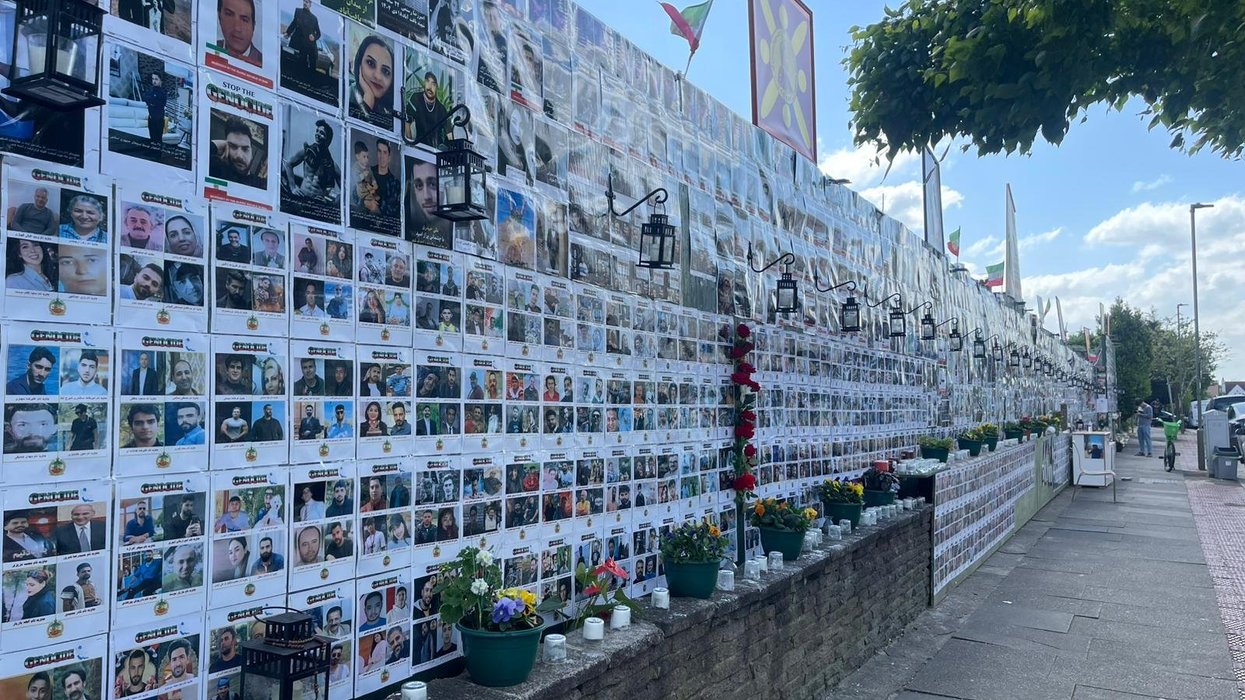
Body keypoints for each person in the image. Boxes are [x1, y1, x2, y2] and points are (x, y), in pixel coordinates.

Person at [349, 36, 395, 123]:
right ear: (359, 64)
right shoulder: (344, 96)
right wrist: (367, 101)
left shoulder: (392, 115)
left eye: (385, 71)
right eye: (370, 63)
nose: (377, 76)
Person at [209, 117, 264, 188]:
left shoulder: (261, 185)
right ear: (225, 146)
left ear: (251, 154)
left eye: (245, 149)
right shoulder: (213, 169)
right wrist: (213, 145)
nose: (239, 155)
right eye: (233, 146)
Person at [406, 71, 449, 147]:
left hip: (436, 152)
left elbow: (449, 133)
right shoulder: (416, 98)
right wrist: (409, 144)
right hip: (419, 147)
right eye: (428, 81)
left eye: (433, 84)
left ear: (437, 88)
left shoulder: (441, 109)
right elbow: (407, 122)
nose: (430, 87)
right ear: (424, 83)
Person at [217, 0, 262, 66]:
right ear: (219, 17)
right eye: (229, 14)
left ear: (253, 26)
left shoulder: (262, 63)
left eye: (244, 20)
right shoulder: (211, 47)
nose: (237, 28)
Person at [284, 0, 321, 76]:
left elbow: (318, 33)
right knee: (291, 62)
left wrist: (314, 37)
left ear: (310, 4)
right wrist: (288, 32)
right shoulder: (298, 11)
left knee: (303, 65)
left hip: (307, 45)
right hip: (296, 42)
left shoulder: (314, 18)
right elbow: (294, 23)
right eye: (304, 1)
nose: (305, 3)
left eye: (307, 2)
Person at [372, 139, 400, 216]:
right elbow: (354, 195)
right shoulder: (367, 173)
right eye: (379, 151)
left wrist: (377, 209)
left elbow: (395, 211)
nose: (382, 156)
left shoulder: (395, 184)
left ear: (389, 157)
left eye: (385, 152)